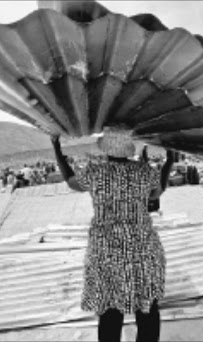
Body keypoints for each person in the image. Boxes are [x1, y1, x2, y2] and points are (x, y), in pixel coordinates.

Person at [52, 128, 175, 342]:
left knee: (109, 311)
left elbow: (71, 181)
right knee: (147, 309)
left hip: (106, 250)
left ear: (106, 150)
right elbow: (158, 191)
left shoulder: (95, 172)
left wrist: (57, 149)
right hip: (143, 247)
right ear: (128, 149)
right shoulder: (143, 171)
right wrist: (169, 162)